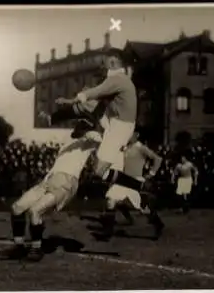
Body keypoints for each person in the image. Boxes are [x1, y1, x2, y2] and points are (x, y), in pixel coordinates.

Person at [50, 51, 147, 195]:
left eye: (104, 62)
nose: (102, 66)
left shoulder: (117, 79)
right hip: (115, 124)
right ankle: (139, 187)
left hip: (119, 127)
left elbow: (95, 92)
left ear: (113, 63)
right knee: (100, 171)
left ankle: (140, 186)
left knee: (99, 171)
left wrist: (69, 100)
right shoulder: (120, 80)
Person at [0, 129, 103, 262]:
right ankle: (18, 246)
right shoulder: (69, 138)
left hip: (66, 181)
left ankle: (36, 249)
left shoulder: (89, 139)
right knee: (17, 207)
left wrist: (90, 131)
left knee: (35, 211)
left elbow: (98, 139)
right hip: (49, 179)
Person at [98, 130, 164, 240]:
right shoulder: (125, 148)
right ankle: (107, 232)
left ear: (137, 135)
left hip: (135, 181)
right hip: (123, 181)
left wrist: (150, 174)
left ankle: (158, 224)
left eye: (130, 134)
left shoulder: (140, 147)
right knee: (110, 200)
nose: (127, 136)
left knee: (143, 208)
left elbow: (158, 159)